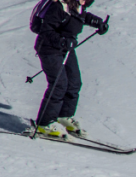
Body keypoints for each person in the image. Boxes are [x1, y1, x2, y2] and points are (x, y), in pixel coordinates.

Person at [32, 0, 109, 138]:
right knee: (59, 84)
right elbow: (46, 30)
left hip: (65, 48)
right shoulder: (59, 6)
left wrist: (98, 23)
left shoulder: (77, 7)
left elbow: (82, 17)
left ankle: (63, 115)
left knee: (74, 82)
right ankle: (44, 124)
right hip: (49, 49)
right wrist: (62, 40)